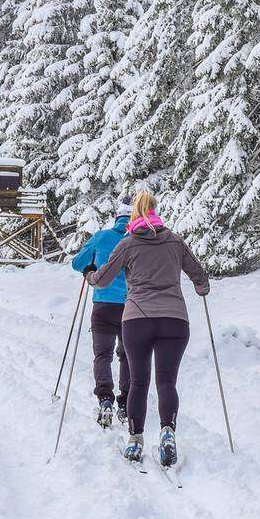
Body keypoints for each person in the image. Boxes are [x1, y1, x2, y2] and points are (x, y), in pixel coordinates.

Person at [85, 190, 209, 467]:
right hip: (175, 320)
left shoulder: (128, 244)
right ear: (155, 211)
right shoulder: (176, 241)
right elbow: (199, 275)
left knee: (139, 382)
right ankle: (167, 432)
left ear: (134, 214)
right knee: (167, 382)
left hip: (137, 319)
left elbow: (103, 279)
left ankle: (135, 440)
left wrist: (90, 276)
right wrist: (202, 288)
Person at [70, 198, 133, 429]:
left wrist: (90, 268)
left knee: (103, 355)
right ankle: (125, 403)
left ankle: (105, 399)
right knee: (127, 356)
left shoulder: (102, 236)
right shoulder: (137, 239)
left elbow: (78, 263)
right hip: (131, 307)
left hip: (103, 305)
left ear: (117, 218)